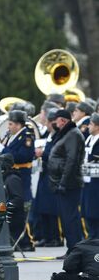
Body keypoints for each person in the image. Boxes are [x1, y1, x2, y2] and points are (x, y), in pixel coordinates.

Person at [48, 109, 85, 257]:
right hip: (62, 182)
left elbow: (71, 160)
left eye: (56, 120)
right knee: (66, 218)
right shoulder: (67, 133)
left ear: (63, 120)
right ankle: (72, 248)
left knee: (70, 218)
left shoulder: (73, 135)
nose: (55, 123)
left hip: (69, 184)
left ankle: (75, 250)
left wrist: (63, 182)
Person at [33, 109, 62, 247]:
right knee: (42, 206)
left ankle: (55, 237)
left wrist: (42, 154)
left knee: (51, 208)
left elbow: (54, 154)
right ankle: (46, 236)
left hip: (52, 175)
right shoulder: (49, 135)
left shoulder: (57, 136)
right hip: (44, 173)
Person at [81, 113, 99, 239]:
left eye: (91, 124)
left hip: (96, 180)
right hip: (86, 178)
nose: (88, 127)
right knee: (87, 211)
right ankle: (91, 236)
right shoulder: (89, 138)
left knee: (94, 211)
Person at [1, 154, 25, 244]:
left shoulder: (12, 179)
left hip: (14, 217)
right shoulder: (6, 178)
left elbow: (18, 199)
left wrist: (5, 207)